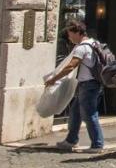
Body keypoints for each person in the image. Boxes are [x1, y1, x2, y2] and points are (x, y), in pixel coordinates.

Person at [45, 19, 106, 154]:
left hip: (88, 85)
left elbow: (71, 66)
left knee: (89, 114)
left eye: (70, 34)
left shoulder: (81, 47)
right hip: (92, 84)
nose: (69, 37)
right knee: (75, 112)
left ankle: (97, 144)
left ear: (78, 32)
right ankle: (71, 140)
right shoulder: (94, 43)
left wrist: (54, 79)